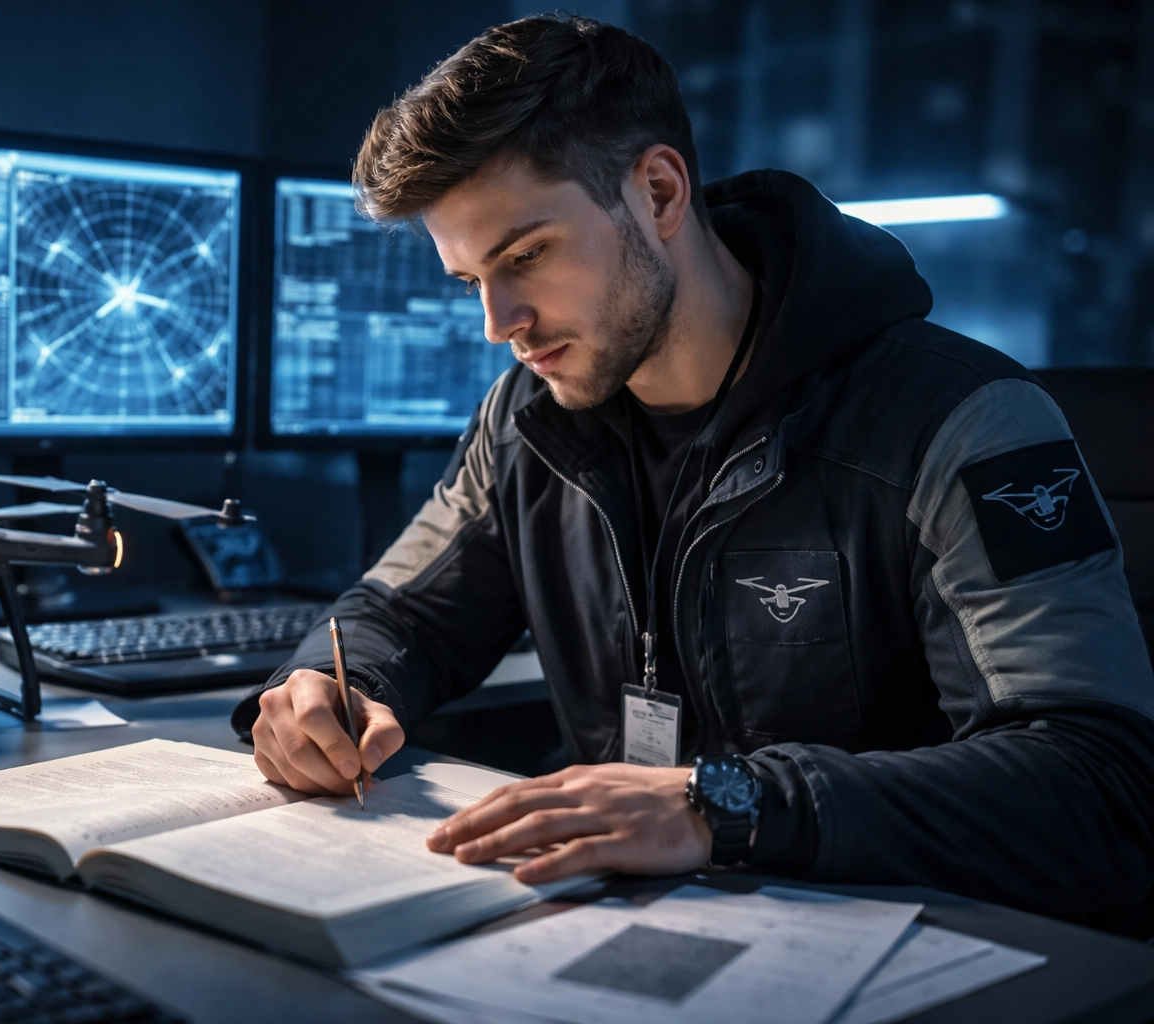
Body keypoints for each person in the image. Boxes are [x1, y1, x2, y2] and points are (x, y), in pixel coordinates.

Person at [233, 14, 1154, 934]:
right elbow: (399, 612)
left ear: (660, 192)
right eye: (470, 278)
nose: (498, 322)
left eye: (525, 256)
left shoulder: (957, 419)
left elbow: (1099, 785)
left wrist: (727, 805)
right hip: (619, 930)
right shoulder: (528, 423)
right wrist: (331, 686)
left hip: (886, 948)